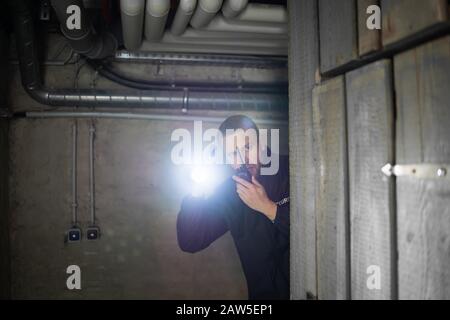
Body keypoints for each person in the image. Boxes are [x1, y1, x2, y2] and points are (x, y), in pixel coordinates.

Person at [176, 115, 289, 300]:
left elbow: (318, 232)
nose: (243, 159)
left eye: (247, 147)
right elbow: (190, 241)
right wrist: (196, 191)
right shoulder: (229, 193)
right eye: (233, 154)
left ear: (261, 143)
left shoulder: (292, 169)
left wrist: (268, 208)